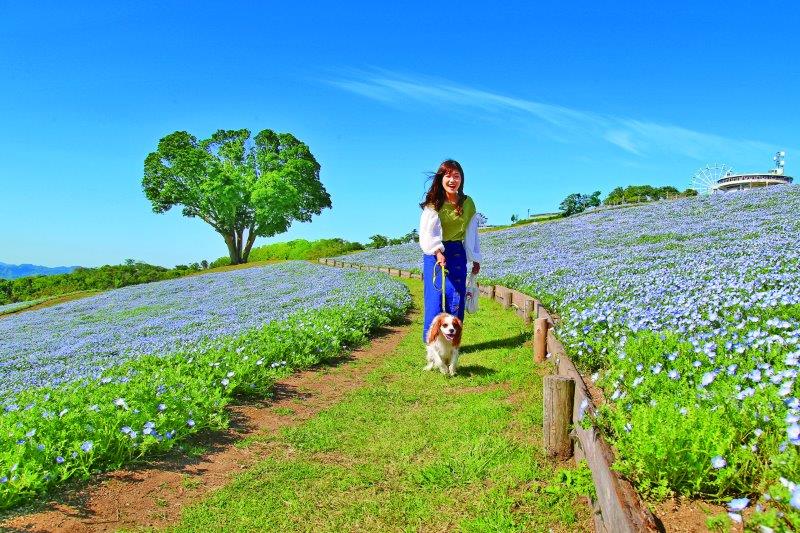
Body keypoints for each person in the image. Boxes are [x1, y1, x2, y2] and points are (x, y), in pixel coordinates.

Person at [418, 159, 481, 343]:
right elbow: (429, 233)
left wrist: (475, 258)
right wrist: (438, 252)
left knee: (456, 295)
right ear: (441, 179)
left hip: (456, 251)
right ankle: (433, 342)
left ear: (462, 179)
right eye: (448, 176)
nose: (452, 180)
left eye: (456, 176)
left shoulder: (468, 203)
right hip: (434, 252)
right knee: (435, 297)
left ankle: (452, 341)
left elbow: (471, 232)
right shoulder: (434, 202)